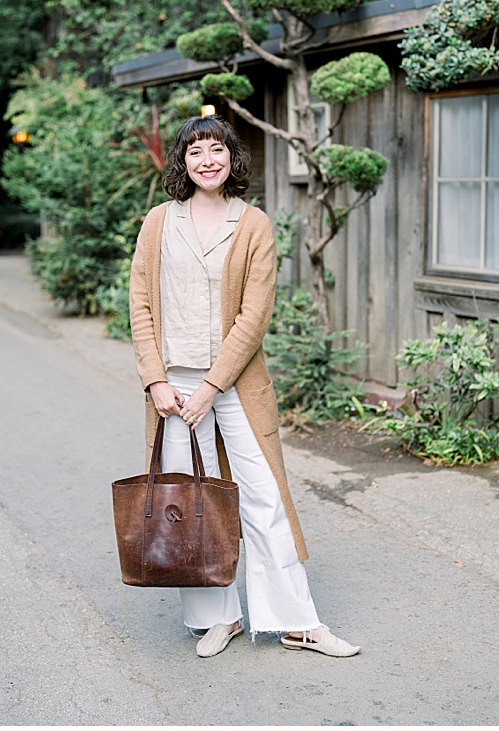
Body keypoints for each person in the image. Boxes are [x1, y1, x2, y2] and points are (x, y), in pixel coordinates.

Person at [128, 113, 360, 659]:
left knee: (262, 495)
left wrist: (211, 386)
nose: (207, 161)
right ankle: (218, 617)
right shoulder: (159, 222)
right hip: (172, 389)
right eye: (195, 152)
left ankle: (298, 621)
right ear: (182, 162)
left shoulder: (253, 224)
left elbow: (254, 317)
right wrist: (156, 380)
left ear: (233, 158)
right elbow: (140, 303)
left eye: (217, 150)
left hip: (232, 385)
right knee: (189, 500)